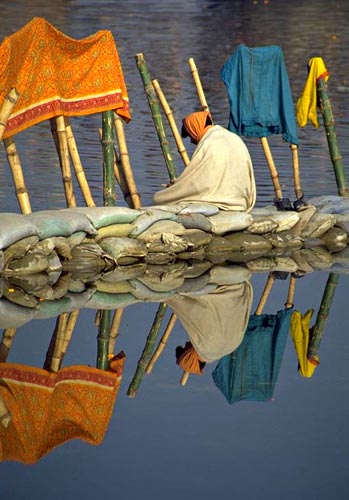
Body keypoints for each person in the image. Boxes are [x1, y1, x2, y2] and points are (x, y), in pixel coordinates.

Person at [153, 110, 256, 212]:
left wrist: (176, 189)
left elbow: (199, 185)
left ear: (195, 128)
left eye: (190, 135)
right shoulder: (233, 137)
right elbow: (205, 176)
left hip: (221, 200)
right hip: (241, 201)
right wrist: (180, 183)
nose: (191, 141)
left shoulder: (209, 143)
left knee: (159, 198)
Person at [167, 280, 253, 376]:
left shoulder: (231, 347)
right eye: (186, 348)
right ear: (190, 356)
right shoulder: (204, 346)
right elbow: (188, 306)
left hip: (240, 289)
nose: (187, 343)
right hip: (223, 287)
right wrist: (165, 295)